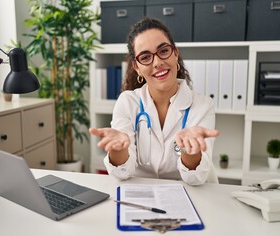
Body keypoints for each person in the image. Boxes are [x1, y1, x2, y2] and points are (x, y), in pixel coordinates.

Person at [89, 17, 219, 185]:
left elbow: (195, 178)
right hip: (141, 197)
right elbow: (122, 174)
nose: (157, 63)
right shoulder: (128, 102)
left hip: (189, 197)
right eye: (145, 57)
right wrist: (119, 149)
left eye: (163, 51)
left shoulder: (202, 106)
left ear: (175, 53)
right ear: (137, 67)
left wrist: (190, 150)